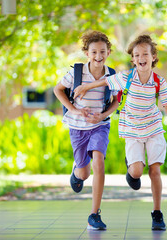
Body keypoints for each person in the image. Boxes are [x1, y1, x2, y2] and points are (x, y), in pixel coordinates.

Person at [74, 35, 167, 231]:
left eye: (145, 54)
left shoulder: (159, 81)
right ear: (133, 59)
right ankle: (131, 169)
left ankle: (157, 213)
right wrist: (86, 86)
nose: (141, 58)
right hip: (132, 129)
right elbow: (106, 83)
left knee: (155, 170)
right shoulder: (127, 77)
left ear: (153, 56)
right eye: (137, 55)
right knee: (137, 171)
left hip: (154, 128)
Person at [53, 31, 118, 230]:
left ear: (108, 52)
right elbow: (58, 90)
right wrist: (74, 110)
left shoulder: (112, 75)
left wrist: (104, 114)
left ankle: (94, 214)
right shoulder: (77, 73)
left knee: (98, 161)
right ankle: (77, 171)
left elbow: (117, 101)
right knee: (84, 174)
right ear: (87, 53)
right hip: (77, 127)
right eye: (94, 52)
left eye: (103, 51)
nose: (99, 56)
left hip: (100, 125)